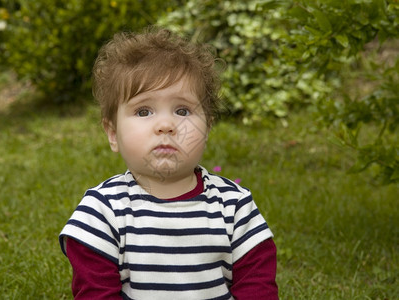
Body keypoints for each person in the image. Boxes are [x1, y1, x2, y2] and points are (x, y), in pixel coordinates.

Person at [59, 26, 278, 300]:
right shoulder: (102, 213)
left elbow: (258, 289)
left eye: (182, 110)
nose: (166, 125)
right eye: (143, 111)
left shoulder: (235, 207)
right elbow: (96, 294)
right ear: (113, 133)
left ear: (207, 129)